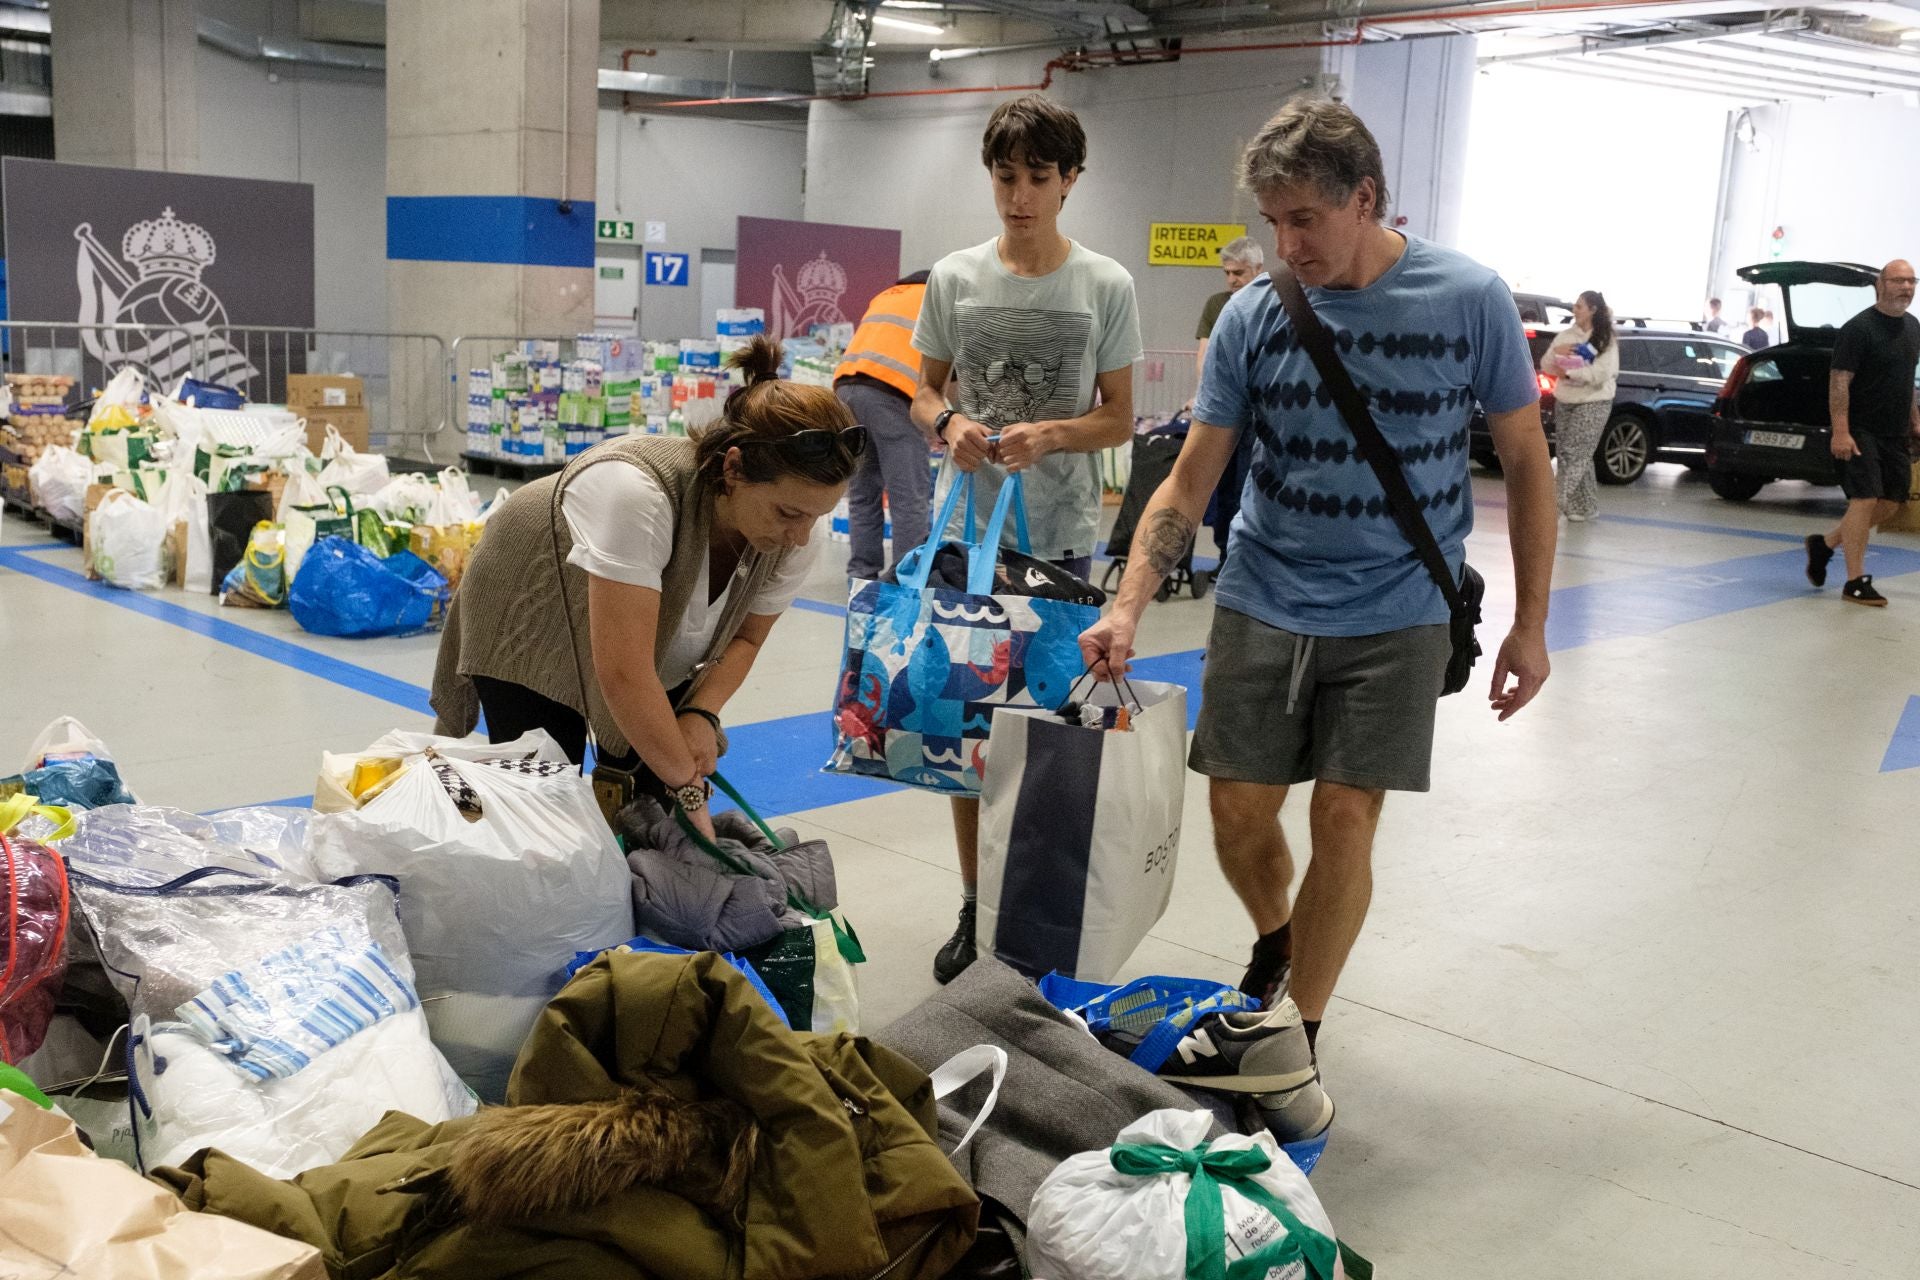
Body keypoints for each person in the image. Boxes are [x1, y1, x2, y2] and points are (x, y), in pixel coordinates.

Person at [1079, 98, 1555, 1064]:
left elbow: (1529, 461)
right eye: (1273, 223)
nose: (1285, 244)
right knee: (1238, 811)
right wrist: (1126, 602)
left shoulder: (1470, 299)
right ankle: (1277, 937)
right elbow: (1192, 474)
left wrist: (1530, 624)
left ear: (1365, 199)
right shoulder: (1258, 316)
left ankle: (1297, 1032)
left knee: (1346, 812)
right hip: (1263, 593)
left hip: (1400, 607)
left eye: (1305, 220)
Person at [431, 336, 865, 835]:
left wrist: (702, 713)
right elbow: (624, 672)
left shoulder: (793, 531)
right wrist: (688, 788)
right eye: (789, 513)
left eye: (817, 516)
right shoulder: (637, 493)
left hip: (635, 640)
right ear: (733, 468)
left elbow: (746, 638)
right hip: (528, 610)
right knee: (544, 797)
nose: (800, 535)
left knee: (650, 807)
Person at [909, 92, 1143, 983]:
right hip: (968, 537)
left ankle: (1035, 913)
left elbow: (1120, 418)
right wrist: (951, 422)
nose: (1019, 196)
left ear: (1069, 181)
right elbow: (923, 392)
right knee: (970, 731)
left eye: (1038, 178)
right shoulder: (955, 277)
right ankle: (975, 904)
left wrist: (1054, 434)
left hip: (1062, 542)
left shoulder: (1105, 285)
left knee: (1049, 735)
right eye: (1006, 177)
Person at [1804, 259, 1920, 606]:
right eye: (1898, 281)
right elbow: (1839, 381)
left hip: (1894, 430)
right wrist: (1840, 431)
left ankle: (1824, 545)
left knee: (1891, 504)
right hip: (1860, 428)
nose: (1906, 287)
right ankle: (1854, 581)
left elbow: (1905, 380)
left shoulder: (1913, 327)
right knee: (1865, 499)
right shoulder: (1858, 329)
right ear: (1880, 285)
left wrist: (1914, 418)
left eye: (1912, 281)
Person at [835, 271, 934, 580]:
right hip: (892, 394)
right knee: (909, 496)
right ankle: (907, 577)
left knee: (863, 492)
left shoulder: (886, 296)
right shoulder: (936, 299)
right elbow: (950, 370)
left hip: (845, 391)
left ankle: (862, 574)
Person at [1197, 236, 1265, 565]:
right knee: (1221, 490)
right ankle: (1224, 553)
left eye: (1238, 272)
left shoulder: (1271, 303)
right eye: (1227, 272)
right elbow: (1205, 355)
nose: (1231, 279)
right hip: (1224, 411)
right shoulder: (1216, 304)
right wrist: (1202, 397)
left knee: (1245, 487)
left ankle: (1241, 557)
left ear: (1257, 270)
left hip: (1257, 415)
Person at [1539, 290, 1620, 522]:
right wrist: (1557, 353)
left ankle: (1552, 506)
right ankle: (1585, 506)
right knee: (1569, 453)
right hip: (1565, 400)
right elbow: (1546, 365)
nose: (1575, 310)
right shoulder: (1565, 337)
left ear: (1593, 310)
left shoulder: (1605, 340)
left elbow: (1603, 372)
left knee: (1576, 453)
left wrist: (1571, 372)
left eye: (1579, 306)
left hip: (1594, 402)